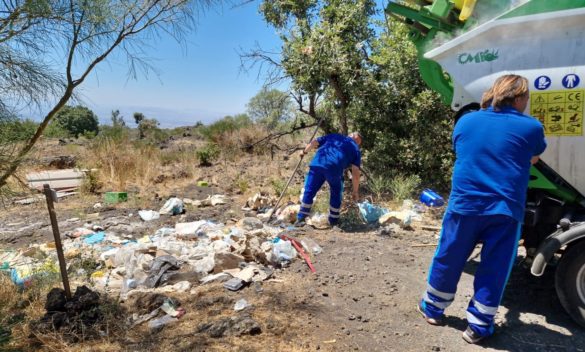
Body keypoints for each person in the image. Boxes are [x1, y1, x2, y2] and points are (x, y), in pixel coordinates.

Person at [418, 74, 547, 344]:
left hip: (464, 205)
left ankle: (433, 309)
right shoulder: (532, 127)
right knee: (494, 266)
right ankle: (478, 326)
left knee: (449, 256)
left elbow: (464, 151)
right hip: (504, 209)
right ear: (520, 97)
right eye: (526, 98)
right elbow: (532, 158)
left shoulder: (466, 121)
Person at [295, 132, 362, 227]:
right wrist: (355, 191)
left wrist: (304, 151)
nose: (358, 144)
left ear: (350, 135)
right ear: (357, 140)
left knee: (309, 190)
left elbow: (314, 142)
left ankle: (301, 218)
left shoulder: (334, 136)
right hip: (334, 168)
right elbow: (355, 173)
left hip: (317, 163)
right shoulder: (355, 149)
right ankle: (333, 221)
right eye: (359, 143)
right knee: (336, 191)